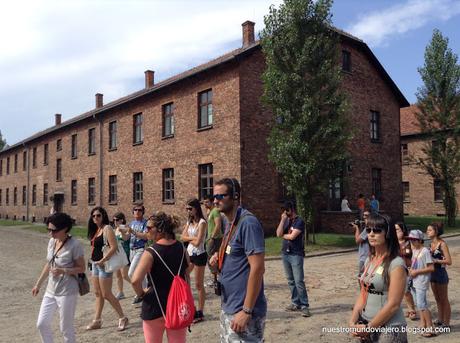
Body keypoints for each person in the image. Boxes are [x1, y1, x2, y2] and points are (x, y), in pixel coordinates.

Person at [209, 178, 266, 342]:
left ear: (235, 196)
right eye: (214, 196)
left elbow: (258, 268)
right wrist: (218, 258)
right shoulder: (230, 223)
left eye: (221, 196)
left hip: (244, 311)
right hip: (230, 305)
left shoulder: (248, 223)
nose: (215, 200)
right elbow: (233, 252)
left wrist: (247, 311)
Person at [132, 212, 190, 343]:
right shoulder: (181, 247)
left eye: (149, 228)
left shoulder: (150, 252)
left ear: (160, 230)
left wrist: (141, 294)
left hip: (154, 304)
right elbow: (188, 269)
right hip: (178, 305)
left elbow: (135, 280)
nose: (146, 231)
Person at [349, 213, 408, 342]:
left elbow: (393, 304)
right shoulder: (369, 260)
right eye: (368, 230)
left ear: (387, 233)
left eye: (376, 230)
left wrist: (369, 328)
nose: (371, 234)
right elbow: (363, 293)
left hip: (390, 329)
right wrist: (353, 320)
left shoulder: (396, 263)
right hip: (367, 324)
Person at [32, 212, 85, 343]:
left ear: (65, 229)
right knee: (42, 323)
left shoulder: (74, 245)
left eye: (53, 230)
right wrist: (38, 284)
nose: (50, 233)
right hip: (51, 290)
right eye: (48, 229)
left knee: (65, 328)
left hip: (67, 291)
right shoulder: (52, 242)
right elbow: (48, 264)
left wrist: (63, 270)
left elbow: (81, 268)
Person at [86, 206, 128, 331]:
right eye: (93, 216)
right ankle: (97, 320)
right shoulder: (96, 230)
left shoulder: (107, 228)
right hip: (95, 264)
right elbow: (96, 248)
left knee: (107, 294)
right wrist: (92, 261)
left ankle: (122, 317)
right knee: (98, 293)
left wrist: (103, 260)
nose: (95, 218)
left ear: (103, 216)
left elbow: (114, 247)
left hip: (104, 265)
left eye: (98, 215)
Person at [276, 200, 310, 317]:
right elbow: (278, 233)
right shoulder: (286, 221)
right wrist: (282, 220)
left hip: (296, 254)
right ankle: (295, 302)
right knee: (290, 280)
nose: (285, 212)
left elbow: (292, 236)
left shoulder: (299, 222)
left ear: (292, 209)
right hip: (285, 254)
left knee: (299, 281)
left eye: (287, 210)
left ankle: (304, 305)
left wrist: (284, 236)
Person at [181, 198, 207, 323]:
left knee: (198, 284)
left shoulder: (202, 222)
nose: (188, 211)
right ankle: (192, 307)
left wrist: (189, 238)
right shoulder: (189, 221)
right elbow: (182, 237)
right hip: (189, 254)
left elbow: (198, 242)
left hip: (200, 254)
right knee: (185, 277)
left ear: (196, 208)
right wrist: (192, 237)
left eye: (190, 208)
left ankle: (200, 311)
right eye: (187, 209)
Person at [408, 229, 436, 337]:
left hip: (422, 281)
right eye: (410, 239)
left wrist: (416, 271)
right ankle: (423, 324)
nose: (412, 242)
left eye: (414, 239)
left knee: (422, 305)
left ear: (420, 240)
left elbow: (431, 267)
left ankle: (430, 327)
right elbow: (415, 264)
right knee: (419, 304)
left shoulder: (425, 251)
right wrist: (411, 270)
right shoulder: (415, 250)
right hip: (415, 281)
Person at [426, 222, 451, 329]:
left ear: (436, 232)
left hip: (441, 274)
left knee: (444, 298)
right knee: (437, 298)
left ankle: (447, 323)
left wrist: (436, 260)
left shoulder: (442, 244)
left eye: (430, 230)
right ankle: (440, 320)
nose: (427, 232)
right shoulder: (430, 244)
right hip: (432, 273)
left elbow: (449, 261)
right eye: (427, 230)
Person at [127, 203, 148, 305]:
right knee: (141, 274)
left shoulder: (145, 223)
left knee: (131, 273)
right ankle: (145, 292)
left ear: (143, 212)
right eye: (135, 210)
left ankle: (140, 293)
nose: (137, 212)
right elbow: (127, 237)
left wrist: (133, 232)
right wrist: (122, 233)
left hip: (140, 249)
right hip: (132, 250)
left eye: (139, 210)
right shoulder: (131, 223)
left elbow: (145, 236)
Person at [395, 222, 416, 321]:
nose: (395, 232)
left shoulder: (409, 242)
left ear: (403, 230)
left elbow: (415, 254)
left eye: (397, 229)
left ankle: (412, 309)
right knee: (399, 291)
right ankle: (406, 309)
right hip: (396, 269)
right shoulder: (393, 243)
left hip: (408, 269)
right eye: (394, 230)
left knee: (406, 291)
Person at [203, 194, 223, 288]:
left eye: (206, 201)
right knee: (212, 258)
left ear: (211, 202)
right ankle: (216, 279)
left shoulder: (215, 211)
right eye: (204, 201)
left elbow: (218, 225)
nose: (204, 203)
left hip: (215, 239)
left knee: (212, 259)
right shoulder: (211, 211)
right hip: (210, 238)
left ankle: (217, 279)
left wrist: (212, 238)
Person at [113, 212, 131, 300]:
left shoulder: (126, 228)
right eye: (114, 220)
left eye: (117, 220)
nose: (115, 221)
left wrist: (122, 232)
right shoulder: (115, 229)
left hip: (125, 253)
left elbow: (126, 238)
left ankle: (137, 286)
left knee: (125, 275)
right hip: (117, 254)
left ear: (122, 220)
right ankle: (120, 292)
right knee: (118, 275)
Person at [352, 210, 370, 276]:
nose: (364, 217)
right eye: (364, 216)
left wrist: (357, 228)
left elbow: (357, 240)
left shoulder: (368, 228)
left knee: (361, 277)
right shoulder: (368, 227)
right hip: (366, 256)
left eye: (367, 216)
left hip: (365, 257)